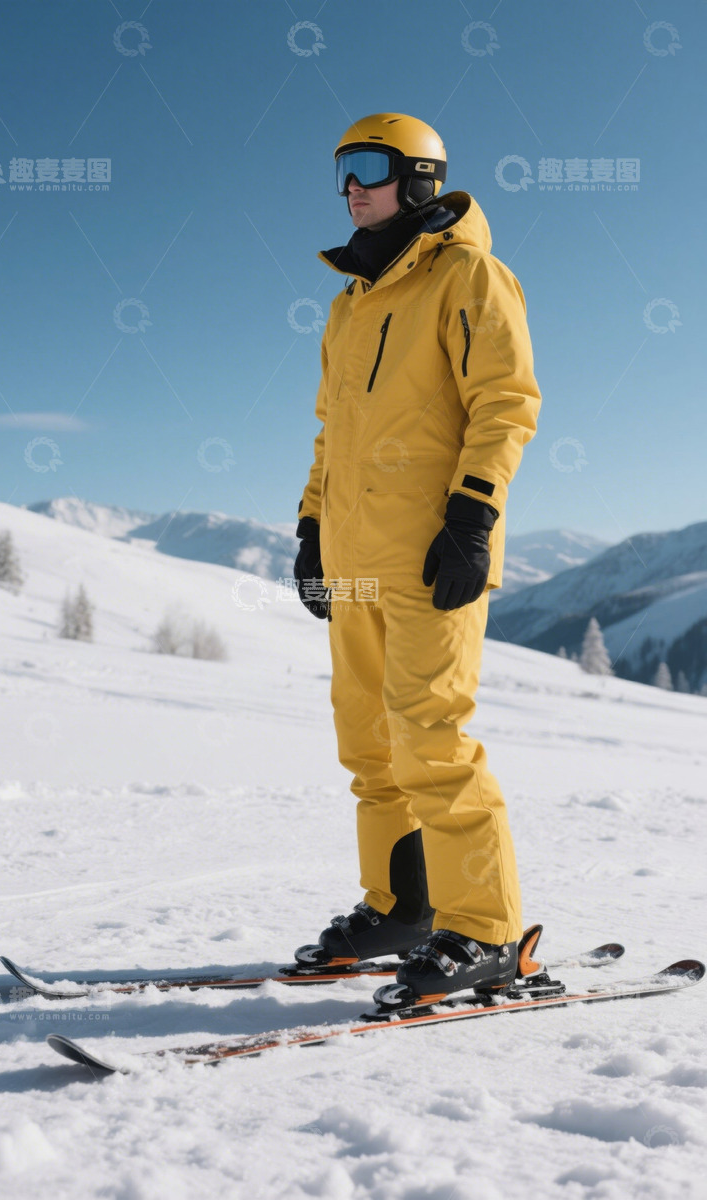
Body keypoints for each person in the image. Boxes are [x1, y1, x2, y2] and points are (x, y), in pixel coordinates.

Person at [293, 113, 542, 1001]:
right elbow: (333, 433)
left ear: (421, 179)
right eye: (342, 169)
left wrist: (472, 516)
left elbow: (505, 400)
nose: (350, 187)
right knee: (369, 745)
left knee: (432, 738)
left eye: (368, 166)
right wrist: (312, 528)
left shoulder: (468, 276)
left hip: (434, 554)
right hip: (356, 558)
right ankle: (403, 906)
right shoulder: (350, 304)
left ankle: (487, 930)